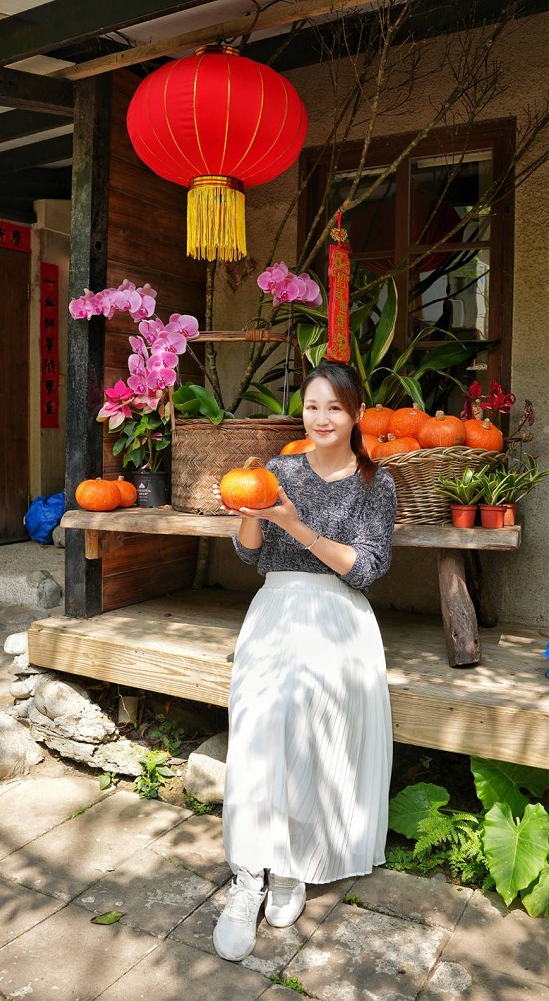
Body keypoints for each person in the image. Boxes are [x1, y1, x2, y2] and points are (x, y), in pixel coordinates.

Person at [212, 361, 397, 962]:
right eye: (312, 406)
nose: (320, 418)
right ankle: (248, 878)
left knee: (309, 729)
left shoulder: (376, 482)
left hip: (338, 617)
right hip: (276, 608)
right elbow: (250, 555)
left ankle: (290, 868)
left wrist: (298, 524)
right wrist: (251, 514)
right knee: (259, 726)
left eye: (334, 409)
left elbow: (366, 568)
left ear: (357, 415)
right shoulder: (276, 470)